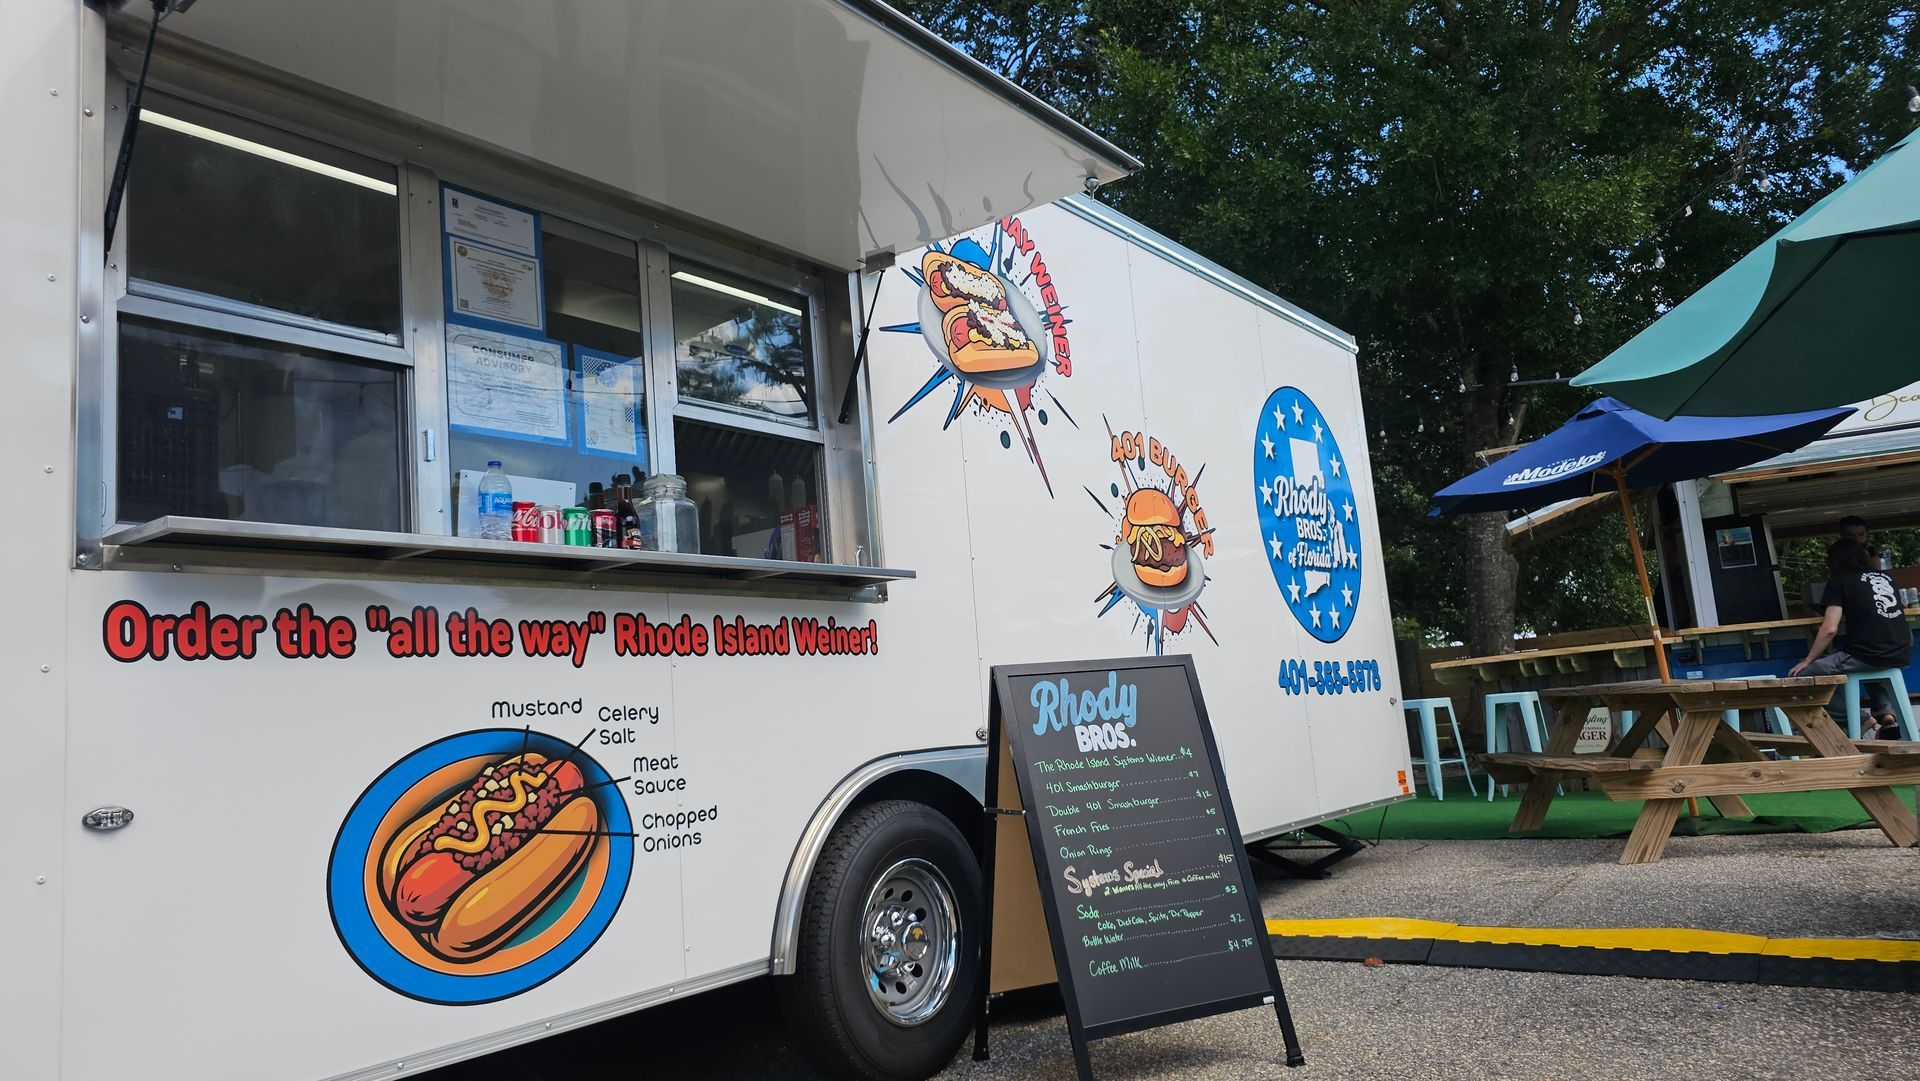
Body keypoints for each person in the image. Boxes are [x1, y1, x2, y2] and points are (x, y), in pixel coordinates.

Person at [1788, 538, 1911, 737]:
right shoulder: (1885, 578)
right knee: (1870, 666)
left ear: (1835, 562)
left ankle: (1860, 720)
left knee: (1803, 676)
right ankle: (1886, 715)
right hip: (1900, 652)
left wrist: (1808, 660)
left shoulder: (1839, 581)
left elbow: (1829, 628)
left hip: (1868, 653)